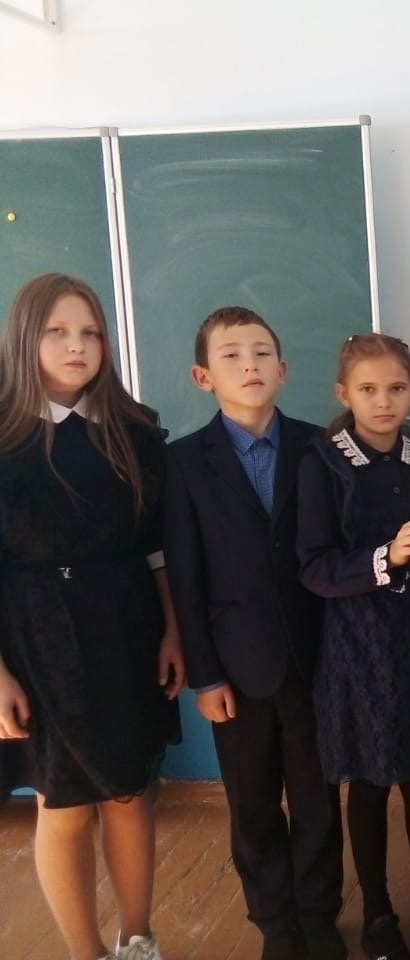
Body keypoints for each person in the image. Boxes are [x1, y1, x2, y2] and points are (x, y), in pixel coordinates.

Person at [0, 273, 184, 960]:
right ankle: (87, 953)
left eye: (91, 333)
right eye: (58, 332)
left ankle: (138, 940)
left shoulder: (134, 433)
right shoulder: (4, 437)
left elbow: (157, 549)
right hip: (35, 637)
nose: (77, 346)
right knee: (65, 802)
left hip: (124, 628)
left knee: (131, 793)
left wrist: (173, 630)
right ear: (26, 339)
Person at [164, 306, 345, 960]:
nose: (250, 365)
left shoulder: (320, 447)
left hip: (318, 659)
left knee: (318, 799)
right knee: (253, 805)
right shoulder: (183, 463)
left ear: (284, 369)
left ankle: (319, 917)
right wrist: (205, 675)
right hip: (237, 669)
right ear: (203, 376)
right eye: (232, 355)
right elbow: (185, 579)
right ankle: (276, 924)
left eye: (263, 353)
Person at [296, 335, 410, 960]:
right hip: (356, 650)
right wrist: (385, 557)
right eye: (368, 389)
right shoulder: (323, 463)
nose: (383, 401)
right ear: (344, 393)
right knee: (368, 783)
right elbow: (314, 567)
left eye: (395, 388)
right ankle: (377, 914)